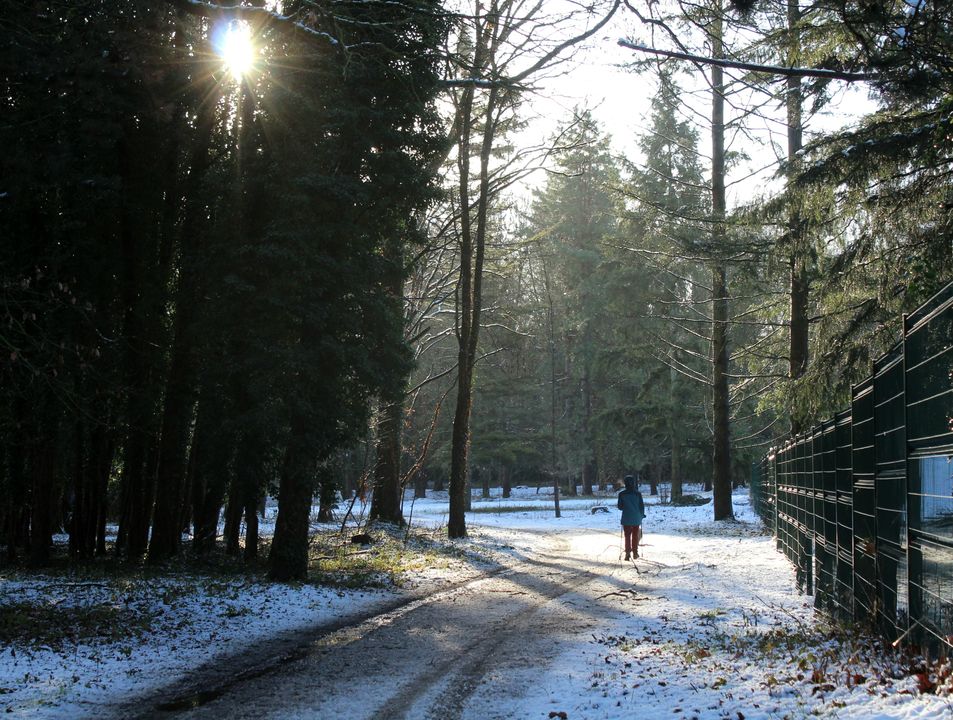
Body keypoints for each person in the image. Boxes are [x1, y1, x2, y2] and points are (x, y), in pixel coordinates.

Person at [617, 474, 645, 561]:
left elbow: (620, 507)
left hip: (626, 517)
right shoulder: (638, 494)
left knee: (627, 535)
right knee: (635, 535)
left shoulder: (621, 494)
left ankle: (628, 553)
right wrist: (642, 515)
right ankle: (635, 553)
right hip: (636, 517)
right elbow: (641, 506)